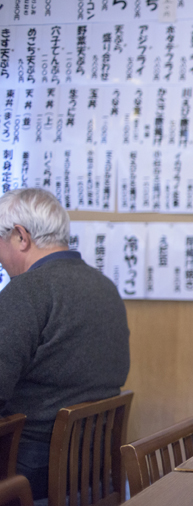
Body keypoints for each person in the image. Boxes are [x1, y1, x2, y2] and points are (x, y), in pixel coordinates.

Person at [0, 188, 130, 500]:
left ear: (21, 236)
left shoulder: (26, 291)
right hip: (91, 473)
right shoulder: (104, 287)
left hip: (29, 473)